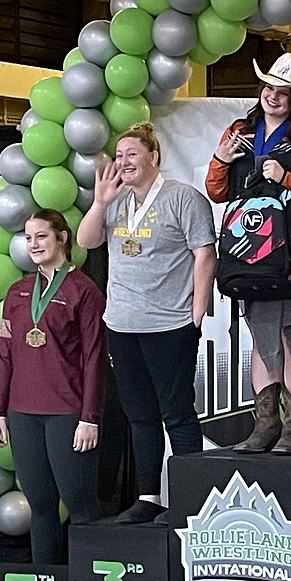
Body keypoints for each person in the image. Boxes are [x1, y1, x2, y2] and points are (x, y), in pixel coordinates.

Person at [78, 123, 216, 524]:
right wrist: (101, 203)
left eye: (132, 155)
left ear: (154, 157)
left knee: (177, 413)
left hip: (170, 323)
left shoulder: (182, 198)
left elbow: (204, 254)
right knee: (139, 415)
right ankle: (149, 497)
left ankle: (192, 502)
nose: (124, 163)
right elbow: (86, 243)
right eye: (119, 157)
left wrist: (197, 310)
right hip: (122, 324)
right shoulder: (116, 201)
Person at [206, 54, 291, 456]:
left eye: (283, 92)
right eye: (268, 88)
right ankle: (266, 426)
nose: (273, 96)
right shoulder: (239, 133)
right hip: (247, 255)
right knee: (261, 341)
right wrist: (222, 159)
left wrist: (288, 178)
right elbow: (216, 191)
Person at [0, 210, 106, 563]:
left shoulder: (83, 291)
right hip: (23, 413)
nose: (34, 245)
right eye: (28, 238)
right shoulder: (18, 292)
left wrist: (90, 417)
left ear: (62, 238)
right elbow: (5, 356)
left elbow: (95, 359)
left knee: (79, 505)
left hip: (67, 414)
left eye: (41, 236)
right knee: (39, 506)